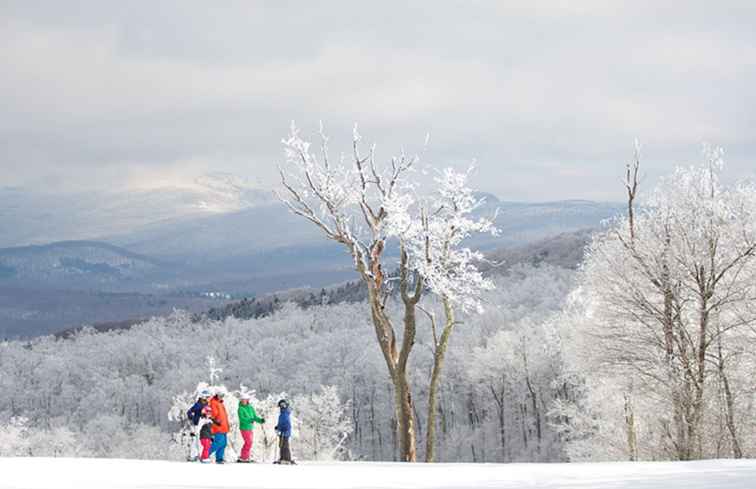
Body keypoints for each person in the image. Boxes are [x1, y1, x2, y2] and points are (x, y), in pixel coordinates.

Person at [237, 393, 265, 463]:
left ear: (247, 400)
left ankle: (246, 456)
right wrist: (250, 420)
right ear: (241, 400)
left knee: (250, 443)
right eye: (242, 400)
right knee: (248, 442)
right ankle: (244, 457)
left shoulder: (250, 408)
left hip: (250, 428)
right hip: (244, 428)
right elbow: (242, 419)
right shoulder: (240, 409)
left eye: (245, 400)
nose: (244, 401)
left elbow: (254, 417)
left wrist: (260, 420)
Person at [185, 389, 211, 461]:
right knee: (195, 439)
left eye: (208, 397)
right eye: (206, 397)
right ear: (203, 397)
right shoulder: (198, 404)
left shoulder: (206, 404)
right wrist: (192, 417)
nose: (207, 398)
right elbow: (189, 411)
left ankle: (198, 454)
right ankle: (192, 456)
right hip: (197, 424)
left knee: (202, 440)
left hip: (204, 424)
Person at [207, 389, 230, 464]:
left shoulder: (220, 403)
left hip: (224, 426)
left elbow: (224, 416)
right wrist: (215, 420)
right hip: (218, 426)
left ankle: (219, 458)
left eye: (222, 396)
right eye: (220, 395)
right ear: (216, 395)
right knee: (217, 442)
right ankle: (206, 454)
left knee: (224, 443)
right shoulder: (213, 403)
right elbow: (213, 414)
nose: (221, 397)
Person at [274, 399, 295, 464]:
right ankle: (282, 458)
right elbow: (281, 422)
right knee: (281, 445)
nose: (282, 406)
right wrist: (278, 427)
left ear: (286, 405)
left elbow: (287, 424)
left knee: (285, 445)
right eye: (281, 405)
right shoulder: (283, 413)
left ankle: (287, 459)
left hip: (285, 432)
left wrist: (282, 429)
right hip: (282, 432)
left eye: (283, 404)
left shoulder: (285, 413)